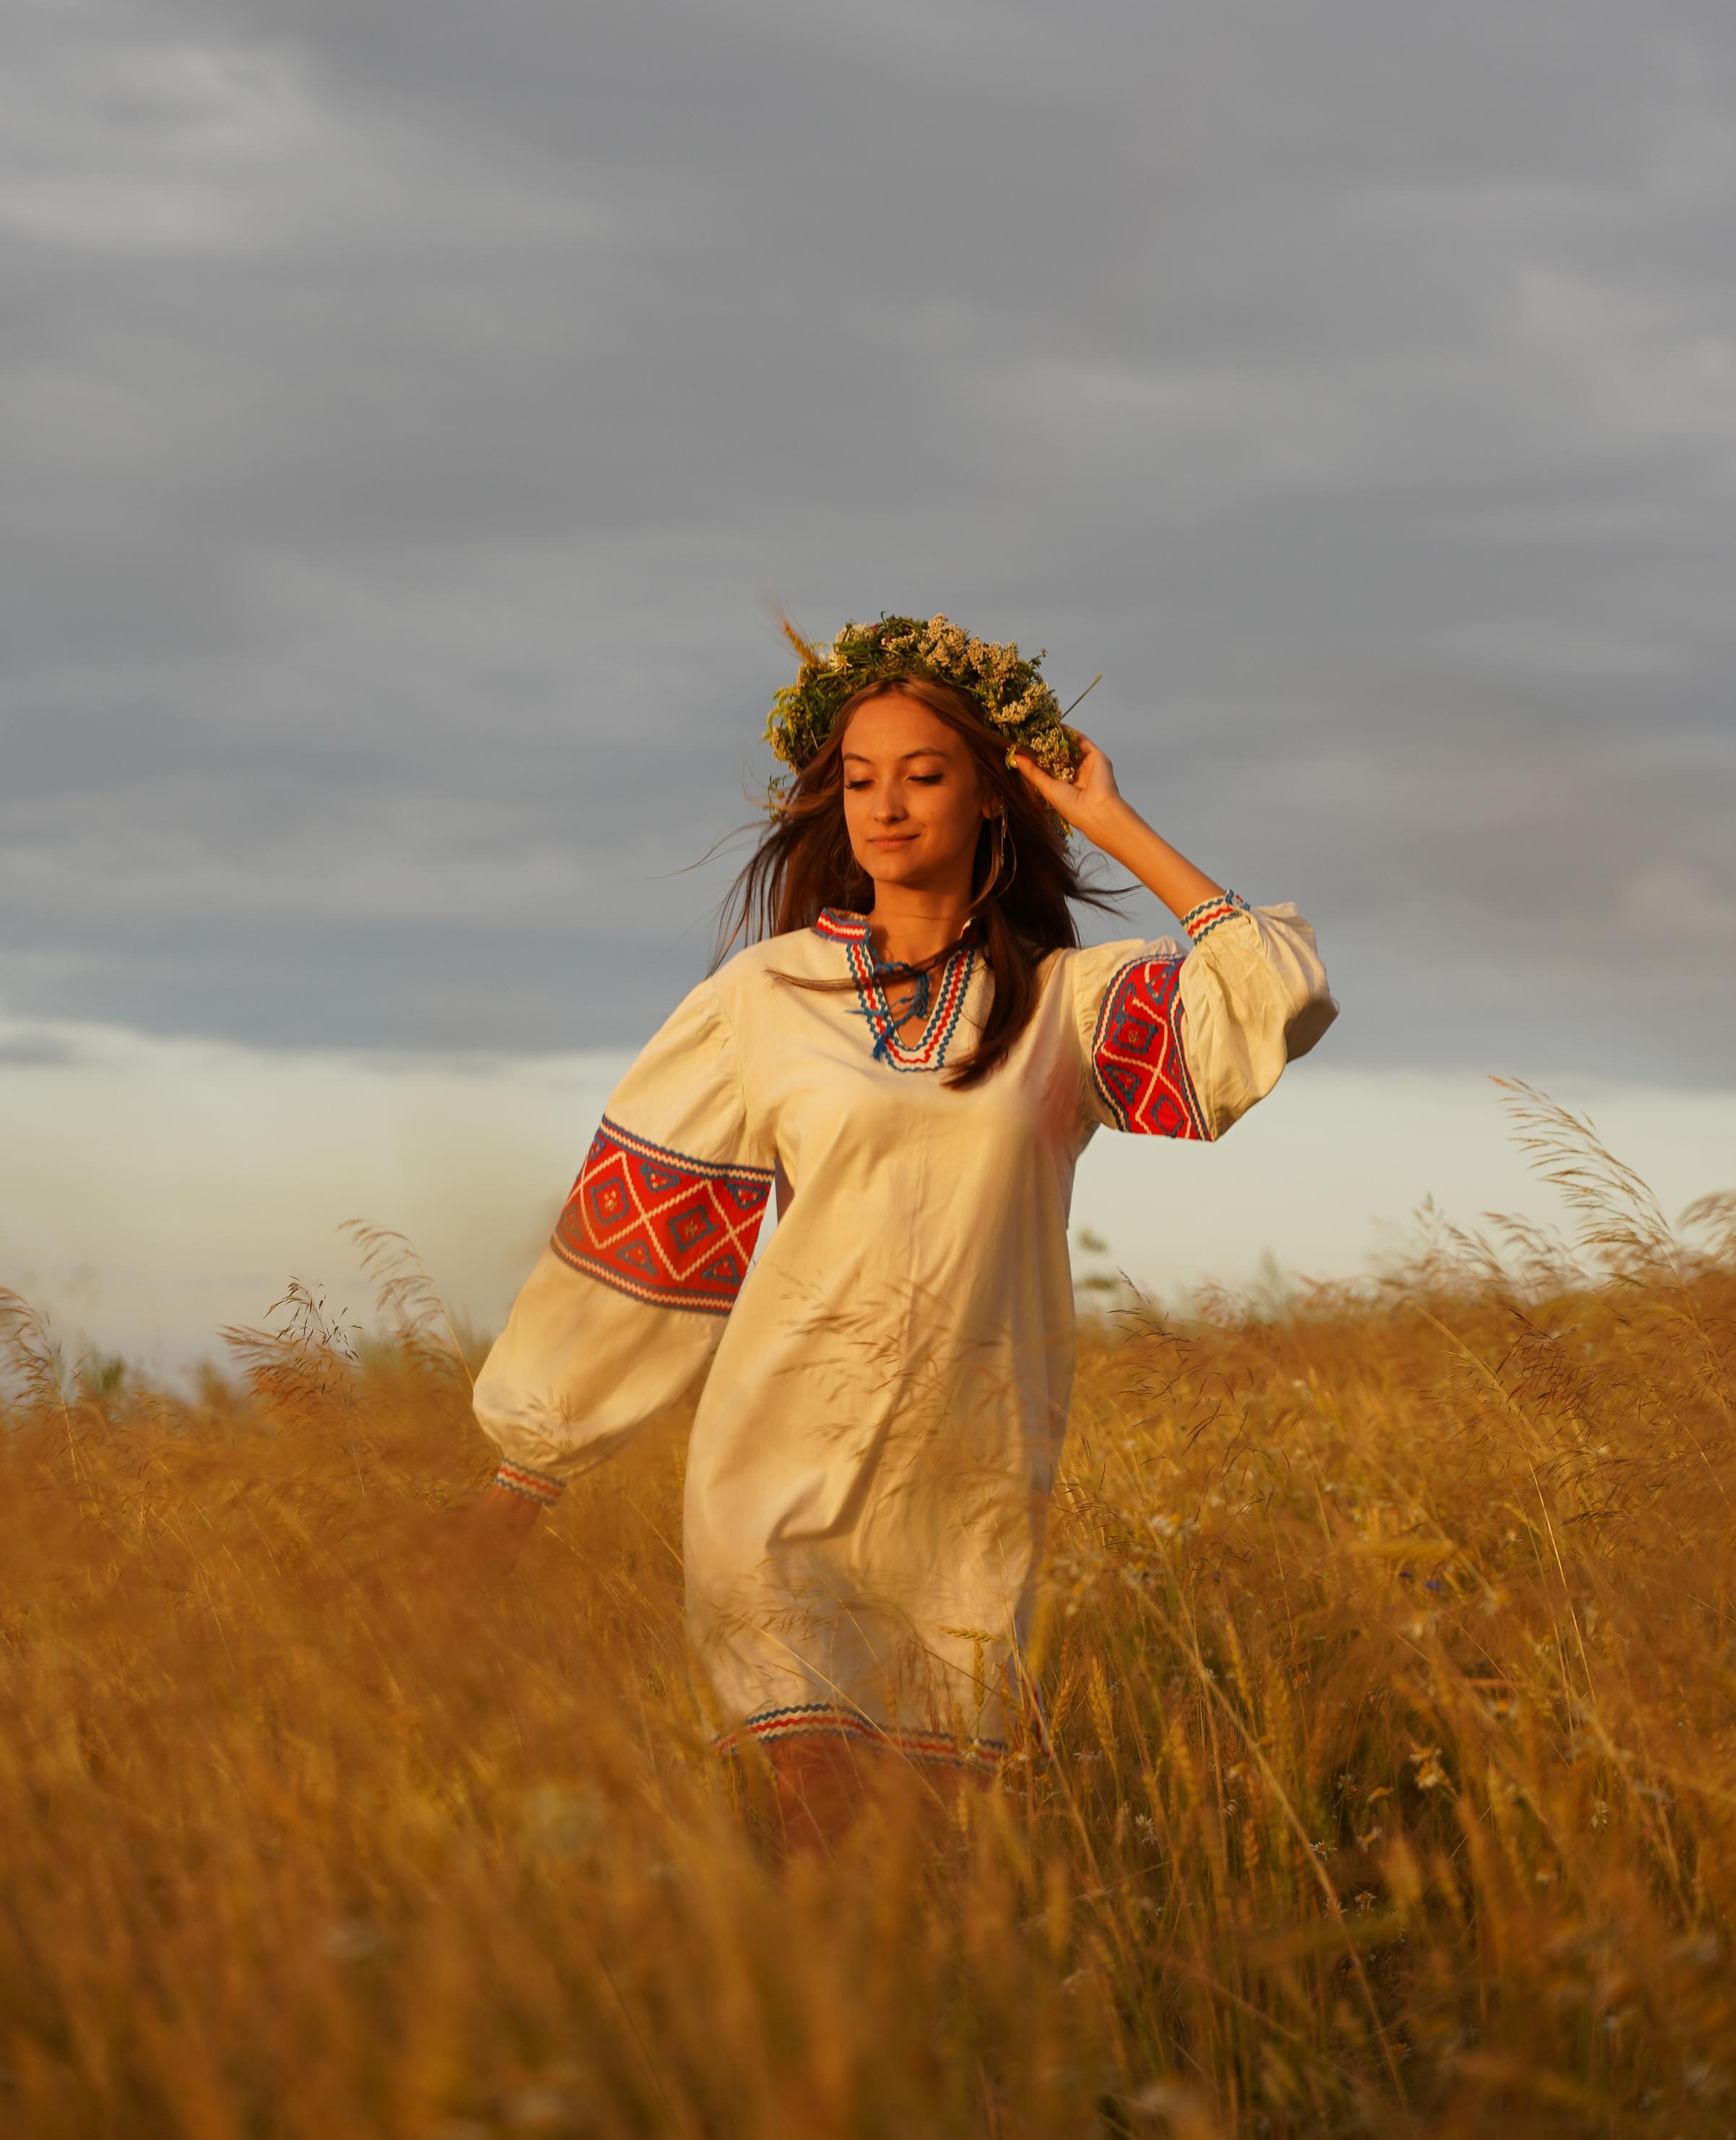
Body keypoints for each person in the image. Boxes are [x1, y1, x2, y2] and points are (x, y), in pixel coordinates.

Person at [466, 616, 1336, 1849]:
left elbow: (1274, 998)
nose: (886, 808)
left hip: (968, 1485)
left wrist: (1110, 824)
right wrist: (527, 1470)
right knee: (817, 1809)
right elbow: (653, 1238)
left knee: (926, 1863)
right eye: (860, 781)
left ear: (991, 796)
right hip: (777, 1470)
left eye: (924, 775)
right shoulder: (762, 999)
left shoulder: (1065, 1007)